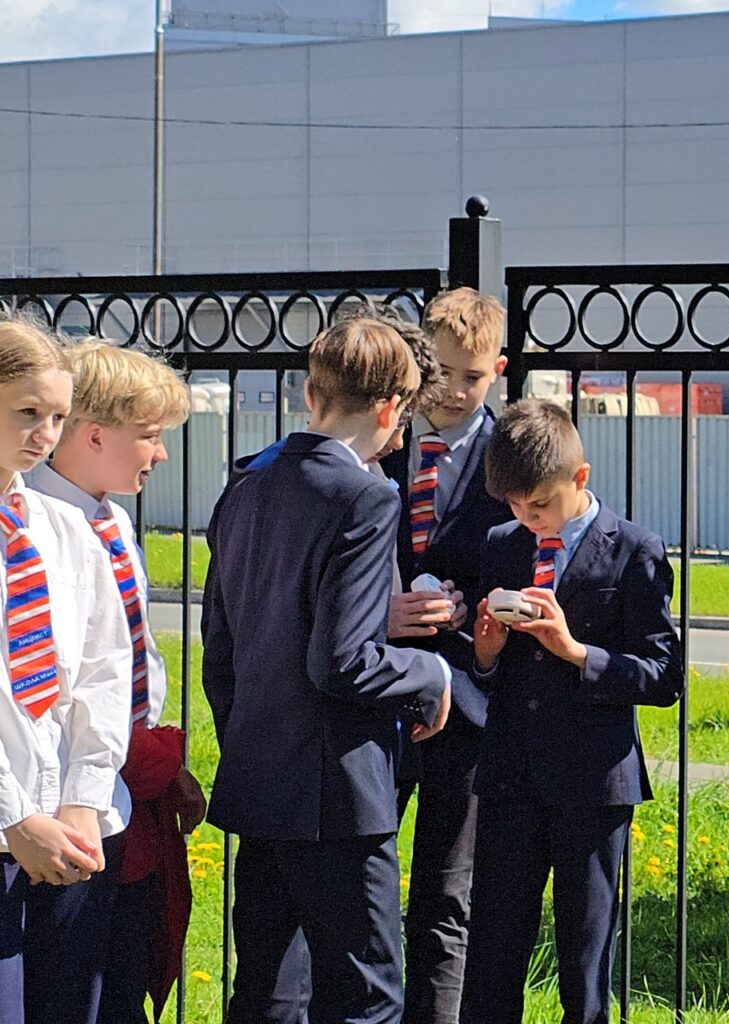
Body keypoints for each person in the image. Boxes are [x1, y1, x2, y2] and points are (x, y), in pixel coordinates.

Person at [202, 316, 452, 1024]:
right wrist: (431, 676)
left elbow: (220, 649)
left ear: (312, 393)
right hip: (338, 793)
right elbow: (344, 662)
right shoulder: (366, 496)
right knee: (367, 999)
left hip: (260, 779)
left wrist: (251, 738)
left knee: (267, 995)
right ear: (390, 407)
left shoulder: (246, 482)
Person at [460, 399, 684, 1024]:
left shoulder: (633, 549)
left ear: (580, 478)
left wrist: (578, 652)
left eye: (539, 505)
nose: (527, 518)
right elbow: (487, 674)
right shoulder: (503, 544)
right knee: (494, 946)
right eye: (515, 506)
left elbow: (665, 675)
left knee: (583, 954)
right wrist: (485, 653)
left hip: (592, 782)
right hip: (510, 776)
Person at [28, 339, 207, 1024]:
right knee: (65, 988)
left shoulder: (115, 521)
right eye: (149, 435)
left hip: (126, 788)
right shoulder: (35, 524)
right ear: (95, 434)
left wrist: (156, 764)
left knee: (123, 977)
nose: (160, 454)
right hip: (59, 802)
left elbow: (130, 658)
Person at [379, 286, 512, 1024]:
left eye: (474, 376)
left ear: (499, 369)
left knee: (445, 891)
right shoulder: (379, 441)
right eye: (443, 373)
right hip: (375, 690)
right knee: (358, 877)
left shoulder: (510, 453)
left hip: (470, 701)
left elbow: (537, 553)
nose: (456, 391)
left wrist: (483, 613)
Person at [0, 317, 132, 1024]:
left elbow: (105, 672)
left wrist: (83, 799)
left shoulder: (66, 529)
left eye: (56, 416)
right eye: (27, 412)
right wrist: (13, 818)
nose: (45, 434)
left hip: (65, 832)